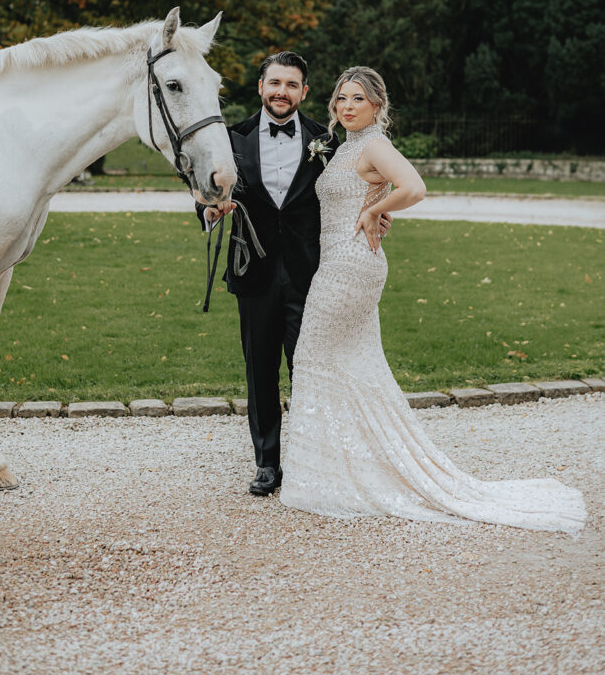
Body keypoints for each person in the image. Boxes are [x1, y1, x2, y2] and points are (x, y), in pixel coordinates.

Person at [280, 66, 586, 532]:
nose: (346, 106)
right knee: (349, 365)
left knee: (313, 357)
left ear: (377, 106)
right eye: (341, 98)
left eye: (357, 98)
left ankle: (328, 477)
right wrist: (372, 208)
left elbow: (415, 188)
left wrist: (376, 211)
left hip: (351, 267)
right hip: (339, 263)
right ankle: (346, 471)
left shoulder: (375, 145)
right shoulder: (343, 147)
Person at [197, 52, 391, 496]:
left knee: (311, 370)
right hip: (254, 272)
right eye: (275, 83)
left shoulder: (329, 140)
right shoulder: (233, 138)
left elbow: (361, 185)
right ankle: (267, 464)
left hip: (314, 275)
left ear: (304, 92)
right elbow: (207, 192)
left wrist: (379, 212)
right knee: (259, 372)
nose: (282, 91)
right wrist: (210, 209)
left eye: (291, 85)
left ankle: (314, 462)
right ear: (261, 87)